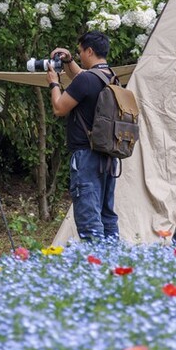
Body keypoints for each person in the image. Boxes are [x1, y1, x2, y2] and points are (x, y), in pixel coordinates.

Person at [46, 30, 120, 242]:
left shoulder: (87, 80)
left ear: (89, 51)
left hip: (86, 157)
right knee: (107, 216)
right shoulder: (111, 77)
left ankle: (95, 268)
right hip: (107, 156)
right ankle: (115, 267)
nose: (78, 56)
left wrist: (54, 83)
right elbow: (82, 79)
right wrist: (68, 61)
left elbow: (60, 108)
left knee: (89, 219)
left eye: (79, 52)